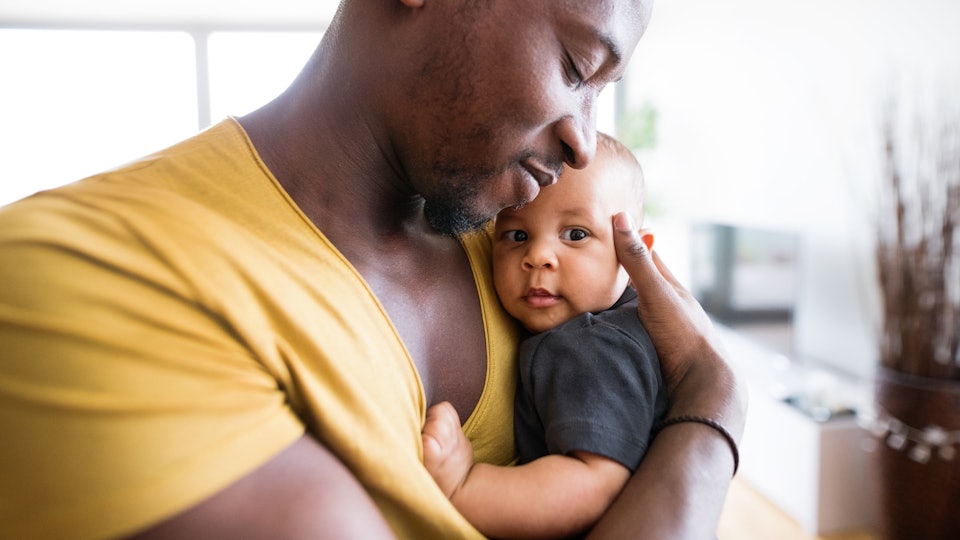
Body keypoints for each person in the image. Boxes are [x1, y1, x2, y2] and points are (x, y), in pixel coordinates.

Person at [0, 1, 747, 539]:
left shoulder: (505, 247)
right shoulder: (82, 275)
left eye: (602, 95)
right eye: (577, 65)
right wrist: (714, 407)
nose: (585, 144)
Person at [422, 132, 670, 539]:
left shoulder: (592, 347)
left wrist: (463, 486)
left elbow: (592, 484)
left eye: (575, 235)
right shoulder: (609, 325)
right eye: (517, 236)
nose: (537, 256)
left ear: (632, 254)